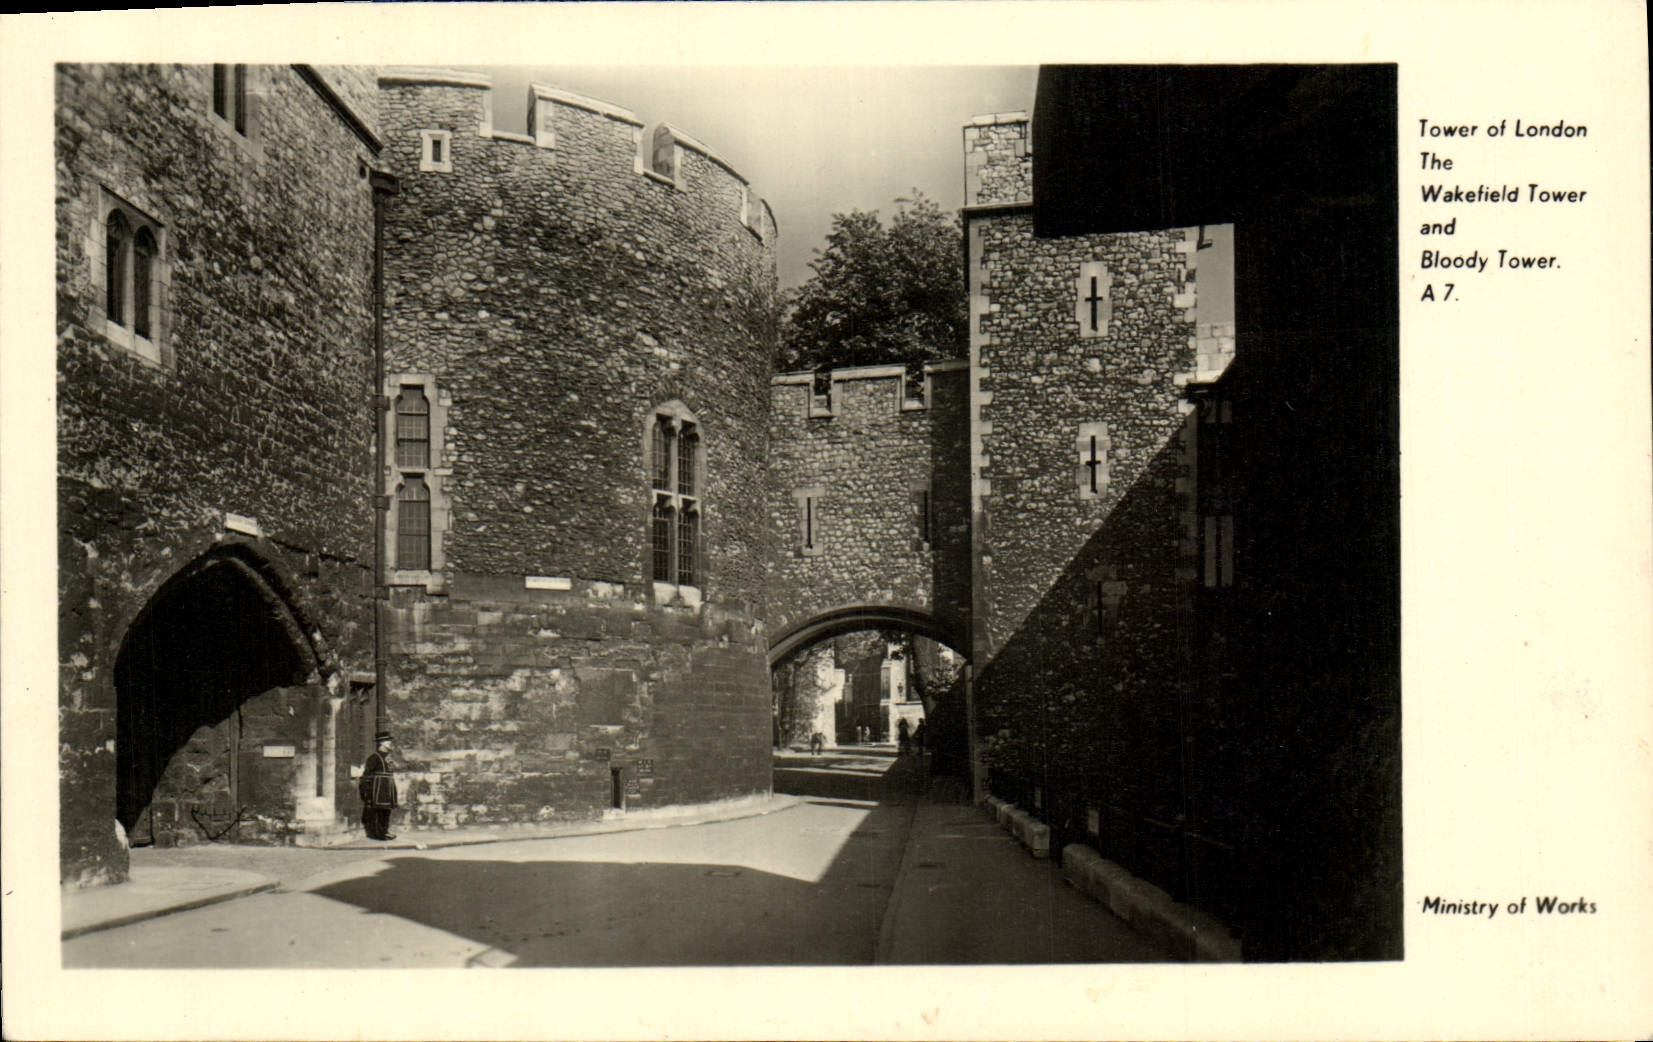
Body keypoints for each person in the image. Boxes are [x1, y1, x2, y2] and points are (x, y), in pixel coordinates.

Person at [359, 730, 398, 841]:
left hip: (388, 787)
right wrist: (367, 792)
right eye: (387, 741)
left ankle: (385, 831)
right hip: (378, 789)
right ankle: (378, 833)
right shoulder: (374, 758)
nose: (390, 743)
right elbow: (367, 776)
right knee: (379, 810)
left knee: (386, 810)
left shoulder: (389, 756)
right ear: (381, 743)